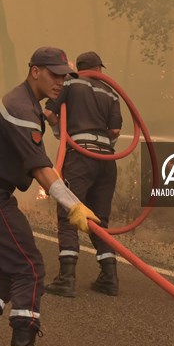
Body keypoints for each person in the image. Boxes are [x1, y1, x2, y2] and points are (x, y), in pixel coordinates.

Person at [0, 46, 99, 346]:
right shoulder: (20, 108)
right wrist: (73, 206)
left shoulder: (28, 105)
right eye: (54, 74)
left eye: (64, 76)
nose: (61, 81)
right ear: (35, 71)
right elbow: (41, 168)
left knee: (12, 263)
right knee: (30, 266)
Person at [43, 51, 123, 298]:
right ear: (99, 68)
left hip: (80, 157)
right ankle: (109, 278)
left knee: (69, 212)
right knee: (100, 220)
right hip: (106, 160)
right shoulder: (111, 92)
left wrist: (61, 131)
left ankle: (66, 279)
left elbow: (49, 113)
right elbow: (115, 130)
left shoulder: (69, 82)